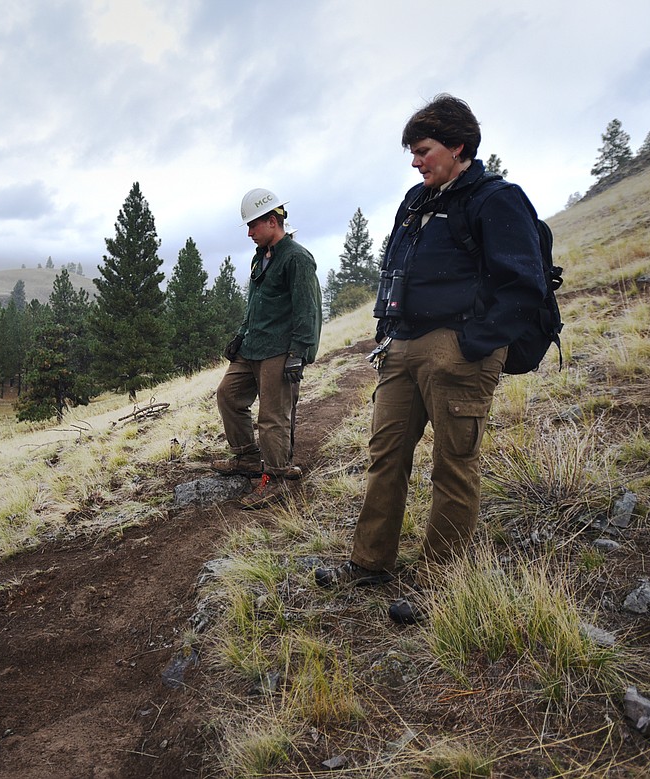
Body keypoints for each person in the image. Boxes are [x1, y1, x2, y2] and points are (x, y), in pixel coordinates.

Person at [314, 95, 547, 609]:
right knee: (385, 455)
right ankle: (369, 563)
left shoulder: (496, 199)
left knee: (453, 463)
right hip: (401, 346)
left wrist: (471, 345)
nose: (415, 162)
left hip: (459, 350)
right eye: (413, 154)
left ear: (458, 146)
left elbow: (524, 286)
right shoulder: (415, 200)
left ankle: (441, 581)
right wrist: (386, 330)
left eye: (423, 151)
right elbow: (395, 270)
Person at [213, 188, 322, 509]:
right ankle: (247, 458)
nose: (249, 233)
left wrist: (300, 353)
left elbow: (309, 310)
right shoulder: (261, 256)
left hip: (279, 350)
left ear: (272, 222)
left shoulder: (297, 259)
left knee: (272, 416)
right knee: (228, 396)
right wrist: (240, 335)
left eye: (253, 226)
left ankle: (274, 479)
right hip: (252, 346)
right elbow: (255, 304)